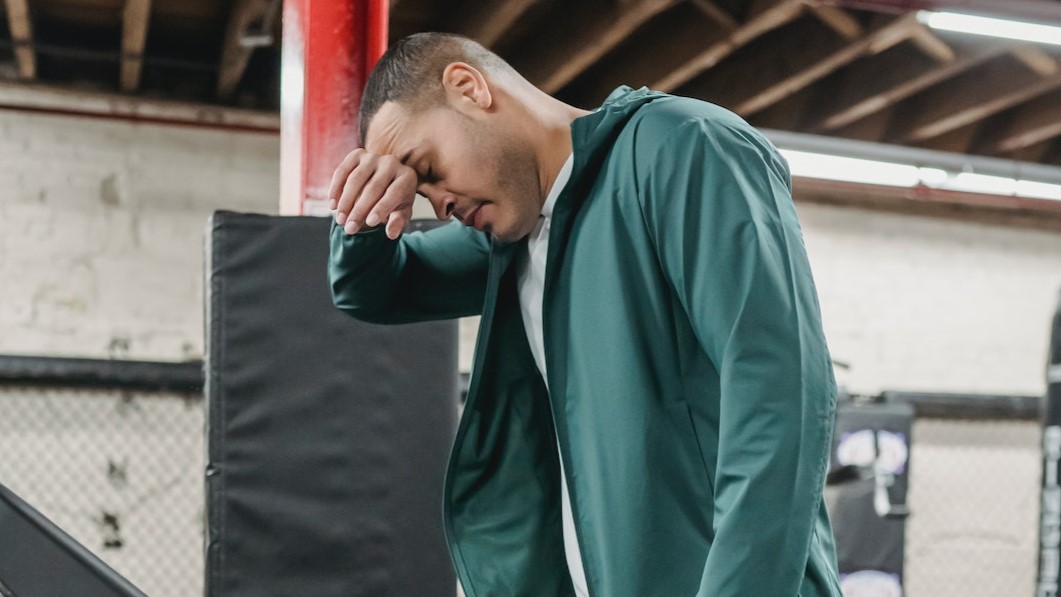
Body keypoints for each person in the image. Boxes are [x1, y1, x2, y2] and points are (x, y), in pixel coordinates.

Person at [328, 32, 843, 597]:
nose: (439, 204)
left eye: (425, 166)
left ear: (468, 87)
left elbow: (780, 388)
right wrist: (364, 216)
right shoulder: (514, 241)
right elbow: (371, 290)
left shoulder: (680, 144)